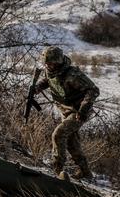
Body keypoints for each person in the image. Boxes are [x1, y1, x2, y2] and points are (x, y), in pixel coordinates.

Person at [33, 46, 99, 180]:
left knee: (59, 134)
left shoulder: (72, 74)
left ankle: (57, 170)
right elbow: (47, 80)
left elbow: (93, 90)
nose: (47, 65)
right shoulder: (50, 71)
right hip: (65, 111)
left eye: (50, 62)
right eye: (46, 63)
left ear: (58, 62)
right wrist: (37, 88)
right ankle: (85, 172)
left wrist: (83, 109)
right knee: (70, 141)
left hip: (78, 111)